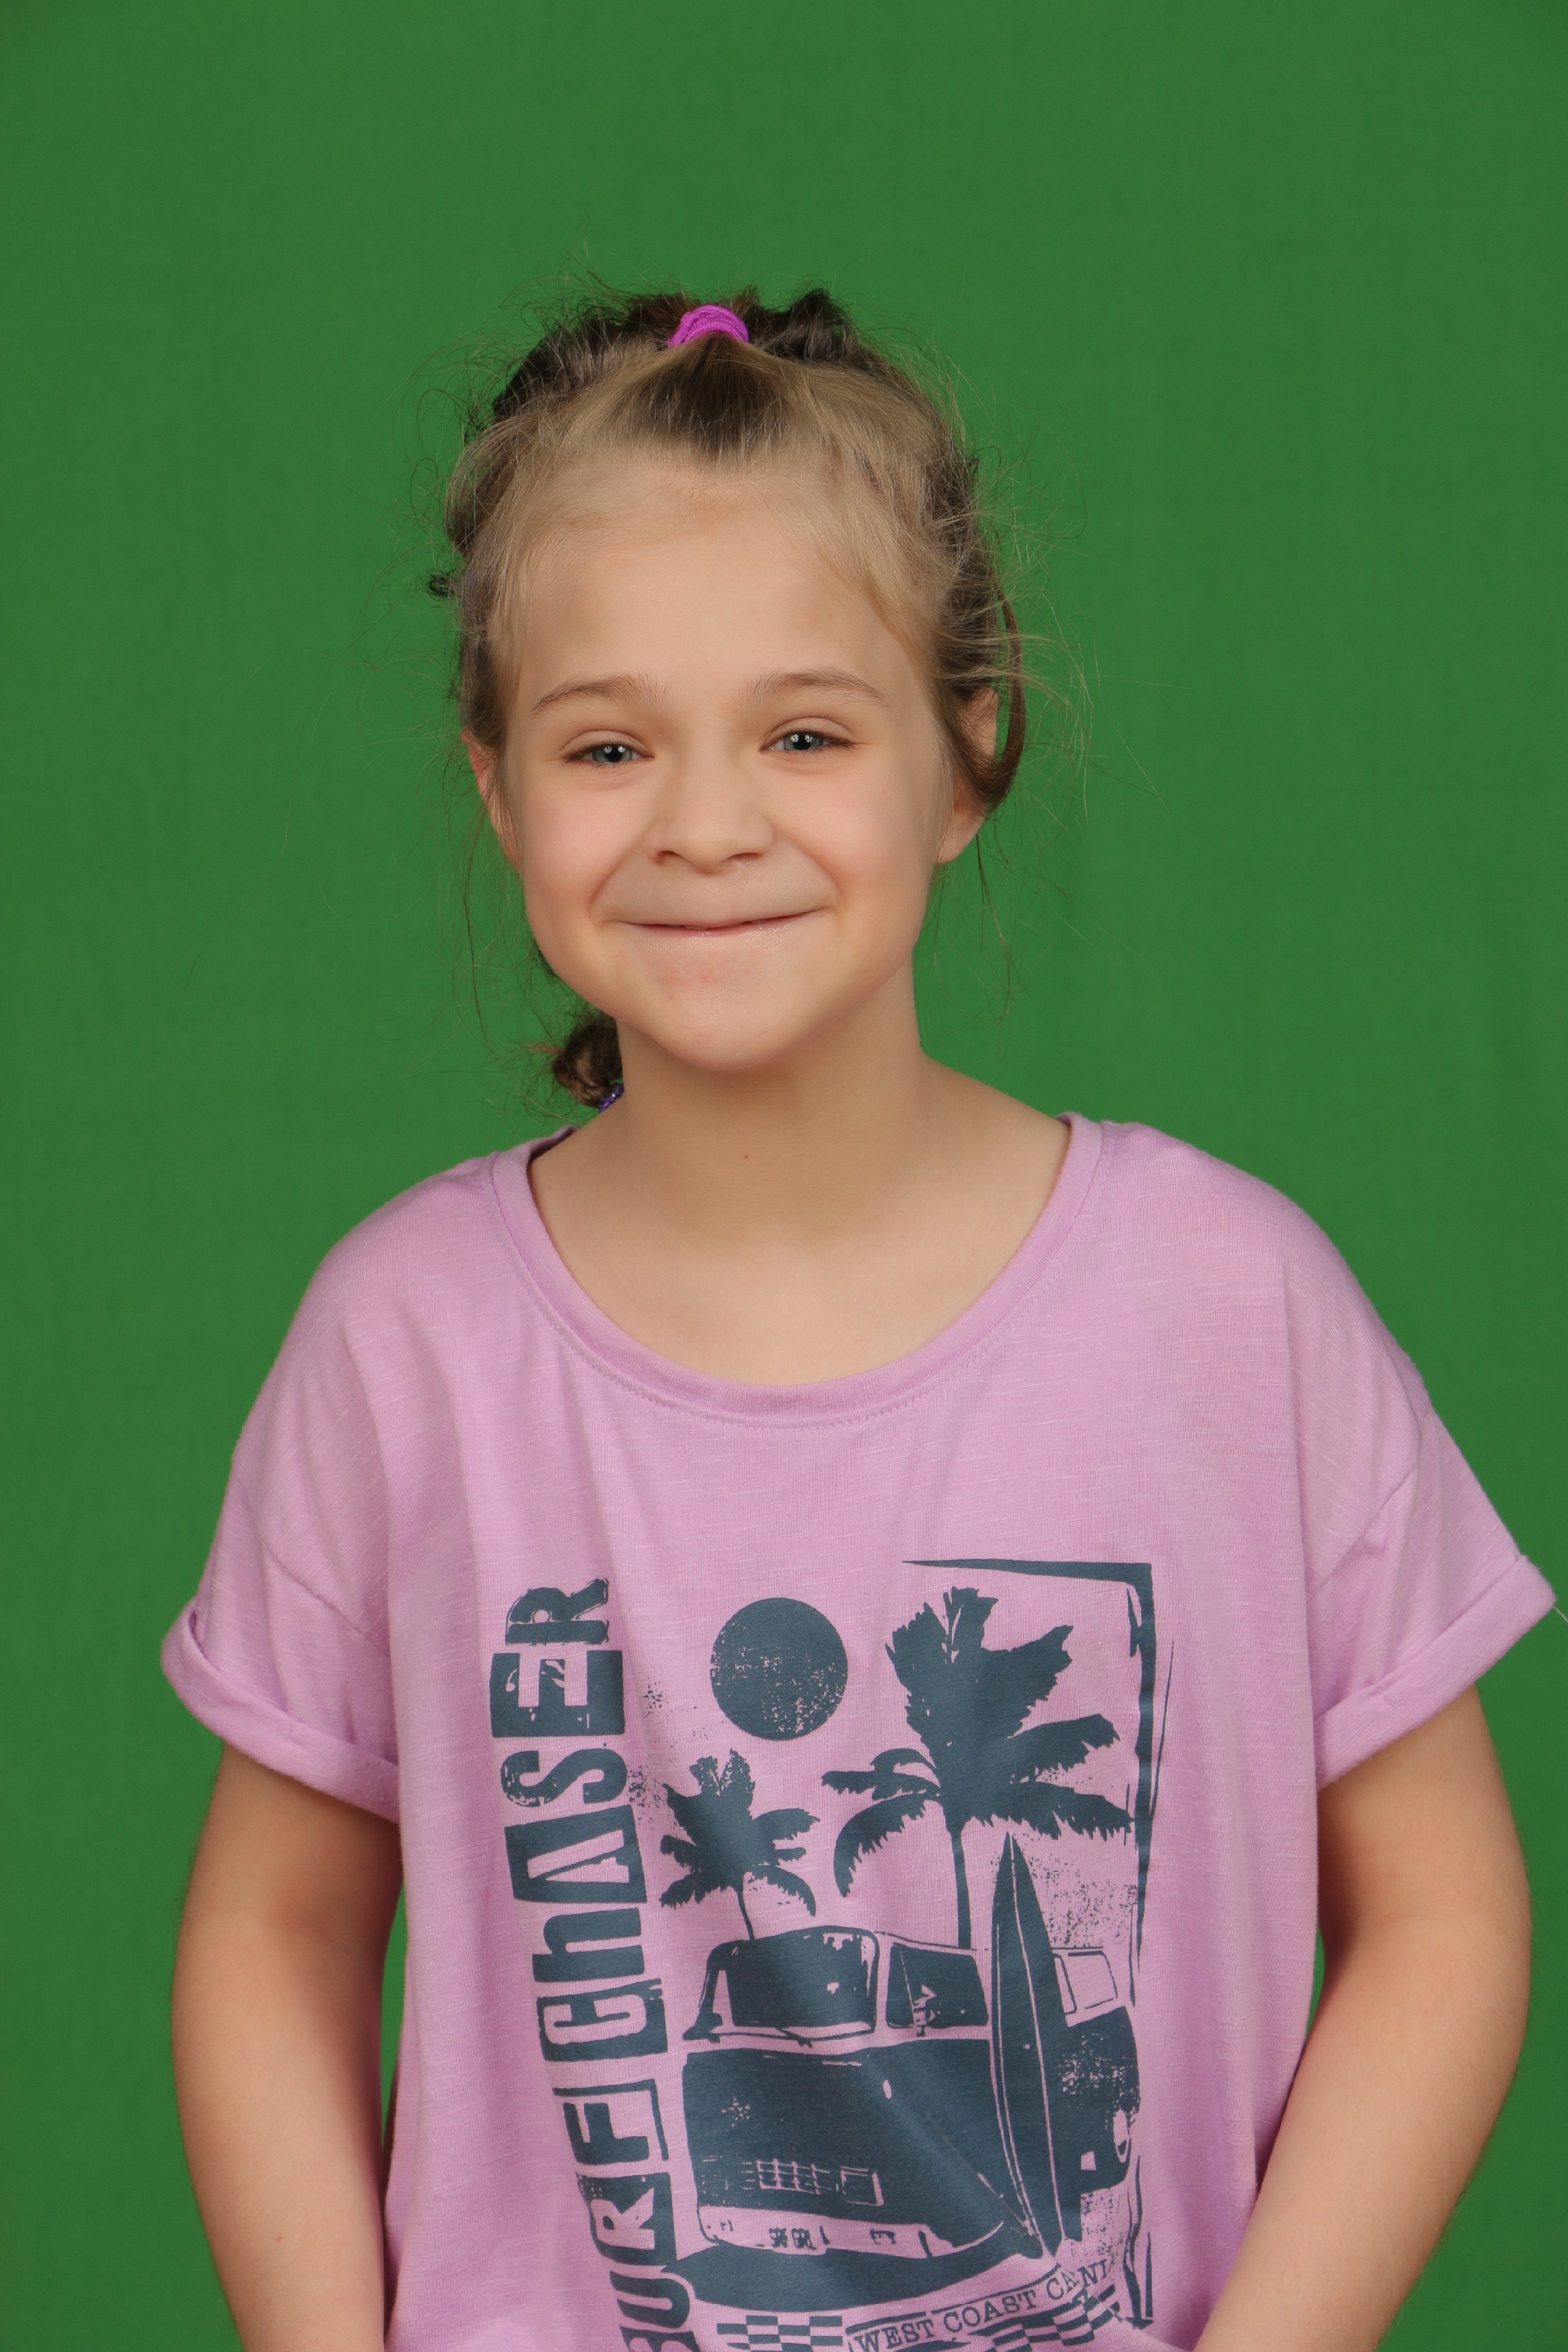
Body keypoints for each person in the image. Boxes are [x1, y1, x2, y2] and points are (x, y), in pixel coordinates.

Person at [165, 288, 1553, 2352]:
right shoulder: (405, 1340)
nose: (706, 821)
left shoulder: (1231, 1302)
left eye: (805, 733)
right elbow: (273, 1932)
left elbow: (1442, 1909)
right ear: (498, 788)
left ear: (968, 753)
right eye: (608, 744)